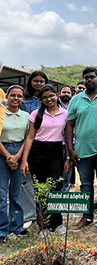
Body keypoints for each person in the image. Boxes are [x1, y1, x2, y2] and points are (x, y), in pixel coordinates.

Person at [66, 67, 97, 231]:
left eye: (92, 77)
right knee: (85, 184)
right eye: (86, 78)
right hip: (82, 149)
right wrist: (70, 149)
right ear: (83, 80)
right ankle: (86, 216)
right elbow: (69, 126)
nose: (89, 80)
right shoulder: (76, 99)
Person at [20, 84, 69, 238]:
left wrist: (67, 158)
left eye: (51, 96)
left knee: (56, 186)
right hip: (37, 151)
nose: (49, 99)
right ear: (41, 99)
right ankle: (43, 225)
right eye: (45, 97)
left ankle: (57, 223)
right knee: (40, 188)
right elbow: (29, 137)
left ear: (57, 95)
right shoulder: (36, 114)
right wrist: (24, 160)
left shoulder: (65, 113)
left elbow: (68, 139)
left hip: (56, 151)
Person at [0, 86, 29, 243]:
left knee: (16, 193)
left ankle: (17, 226)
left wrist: (18, 157)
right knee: (1, 194)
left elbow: (28, 138)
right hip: (2, 152)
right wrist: (8, 156)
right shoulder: (1, 113)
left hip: (20, 151)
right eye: (13, 95)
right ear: (7, 96)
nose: (16, 98)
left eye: (19, 96)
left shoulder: (26, 115)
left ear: (23, 98)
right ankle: (2, 229)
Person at [20, 71, 49, 228]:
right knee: (28, 180)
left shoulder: (49, 98)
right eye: (36, 81)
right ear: (30, 82)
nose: (39, 83)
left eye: (42, 81)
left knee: (44, 180)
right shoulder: (25, 100)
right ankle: (28, 214)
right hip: (27, 142)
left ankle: (43, 212)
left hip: (46, 144)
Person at [58, 85, 73, 191]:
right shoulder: (55, 104)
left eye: (68, 92)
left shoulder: (74, 104)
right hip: (57, 142)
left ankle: (65, 190)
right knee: (57, 168)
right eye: (64, 92)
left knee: (68, 168)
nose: (66, 94)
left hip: (71, 142)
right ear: (59, 94)